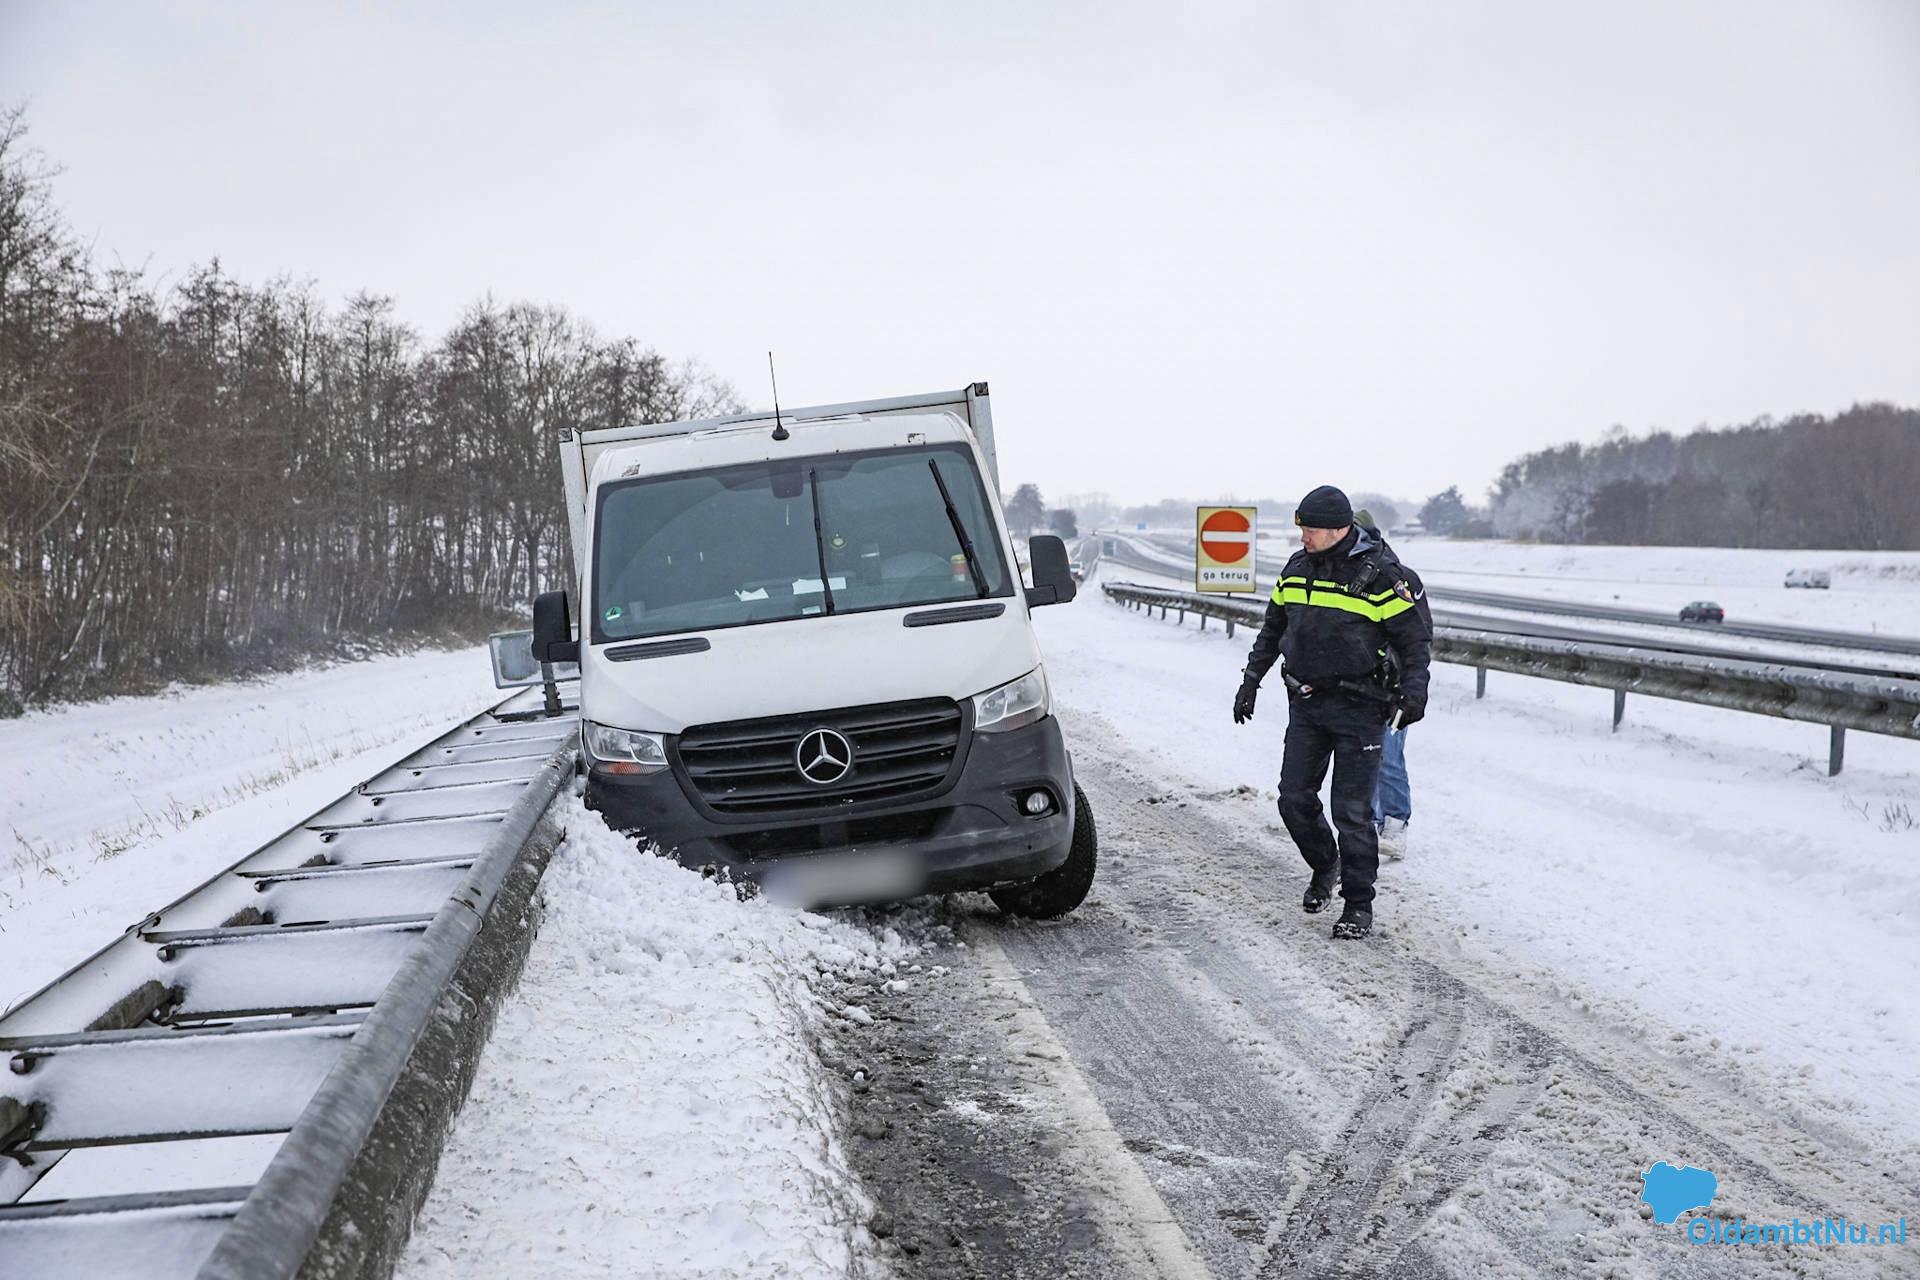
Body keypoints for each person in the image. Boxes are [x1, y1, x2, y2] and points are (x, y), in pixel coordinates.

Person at [1232, 486, 1431, 939]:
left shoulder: (1379, 575)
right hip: (1306, 703)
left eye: (1312, 528)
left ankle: (1359, 905)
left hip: (1362, 707)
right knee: (1293, 800)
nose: (1303, 535)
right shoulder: (1297, 568)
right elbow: (1273, 628)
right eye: (1300, 526)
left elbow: (1414, 642)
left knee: (1353, 812)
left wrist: (1415, 693)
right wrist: (1251, 679)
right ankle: (1327, 865)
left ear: (1340, 529)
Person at [1352, 508, 1412, 859]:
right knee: (1367, 756)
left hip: (1391, 683)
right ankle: (1373, 823)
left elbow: (1413, 635)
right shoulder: (1345, 572)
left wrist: (1405, 683)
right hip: (1360, 684)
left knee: (1389, 756)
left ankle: (1396, 822)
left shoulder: (1392, 574)